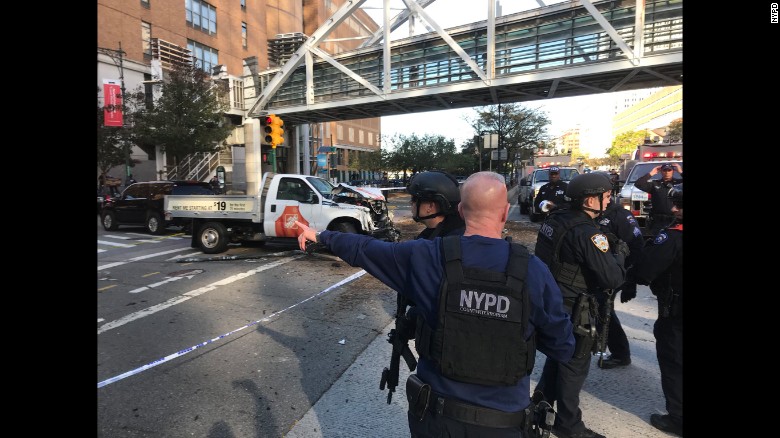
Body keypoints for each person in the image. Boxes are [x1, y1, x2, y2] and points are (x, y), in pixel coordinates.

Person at [295, 171, 575, 438]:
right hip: (504, 422)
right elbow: (562, 347)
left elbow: (365, 250)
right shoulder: (534, 271)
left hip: (436, 417)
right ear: (505, 212)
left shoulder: (426, 257)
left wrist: (321, 236)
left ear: (462, 211)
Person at [533, 172, 628, 438]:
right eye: (606, 196)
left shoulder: (556, 219)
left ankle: (538, 406)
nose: (609, 200)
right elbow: (612, 277)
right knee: (574, 366)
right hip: (576, 308)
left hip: (551, 301)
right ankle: (569, 426)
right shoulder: (588, 234)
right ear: (590, 199)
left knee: (559, 357)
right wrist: (619, 255)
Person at [634, 184, 683, 436]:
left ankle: (677, 418)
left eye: (679, 204)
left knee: (674, 364)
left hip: (675, 315)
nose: (674, 208)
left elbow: (645, 272)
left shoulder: (672, 237)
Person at [594, 199, 646, 369]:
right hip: (597, 270)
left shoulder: (620, 215)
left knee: (603, 308)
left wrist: (631, 281)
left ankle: (620, 354)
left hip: (615, 271)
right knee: (595, 308)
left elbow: (637, 246)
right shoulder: (589, 212)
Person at [406, 170, 466, 239]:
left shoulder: (441, 245)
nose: (410, 203)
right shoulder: (455, 230)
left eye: (414, 200)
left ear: (430, 206)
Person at [634, 163, 682, 235]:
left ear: (673, 171)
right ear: (661, 172)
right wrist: (651, 173)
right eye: (664, 170)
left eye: (669, 170)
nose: (667, 172)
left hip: (675, 220)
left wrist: (680, 172)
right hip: (658, 221)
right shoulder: (655, 184)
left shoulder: (679, 184)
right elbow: (638, 184)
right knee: (657, 243)